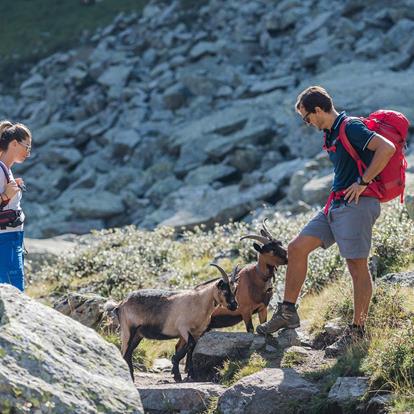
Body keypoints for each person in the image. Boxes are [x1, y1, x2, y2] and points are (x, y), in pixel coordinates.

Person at [256, 86, 396, 357]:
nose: (306, 123)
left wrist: (363, 181)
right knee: (297, 248)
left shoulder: (351, 126)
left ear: (318, 110)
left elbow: (386, 148)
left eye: (306, 117)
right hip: (335, 205)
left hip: (357, 204)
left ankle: (357, 331)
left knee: (356, 265)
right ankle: (288, 312)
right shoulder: (331, 133)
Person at [0, 120, 32, 292]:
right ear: (13, 143)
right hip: (5, 239)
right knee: (14, 290)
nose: (28, 152)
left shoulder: (6, 170)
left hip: (11, 238)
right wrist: (6, 195)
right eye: (26, 146)